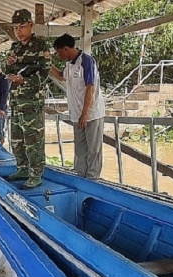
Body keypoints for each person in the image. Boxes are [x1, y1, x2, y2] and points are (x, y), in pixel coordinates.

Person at [4, 8, 51, 190]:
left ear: (30, 25)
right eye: (15, 28)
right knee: (17, 139)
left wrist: (24, 79)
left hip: (32, 102)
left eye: (22, 27)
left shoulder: (40, 46)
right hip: (16, 101)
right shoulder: (14, 47)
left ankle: (35, 174)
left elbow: (45, 74)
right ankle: (22, 169)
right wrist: (7, 65)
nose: (18, 31)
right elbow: (7, 72)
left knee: (33, 140)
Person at [49, 33, 105, 179]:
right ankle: (80, 175)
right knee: (80, 148)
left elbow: (90, 87)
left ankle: (93, 177)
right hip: (76, 113)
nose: (58, 55)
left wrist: (85, 113)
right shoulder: (69, 64)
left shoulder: (86, 61)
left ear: (65, 49)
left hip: (91, 113)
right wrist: (47, 64)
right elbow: (61, 76)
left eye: (58, 52)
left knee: (94, 148)